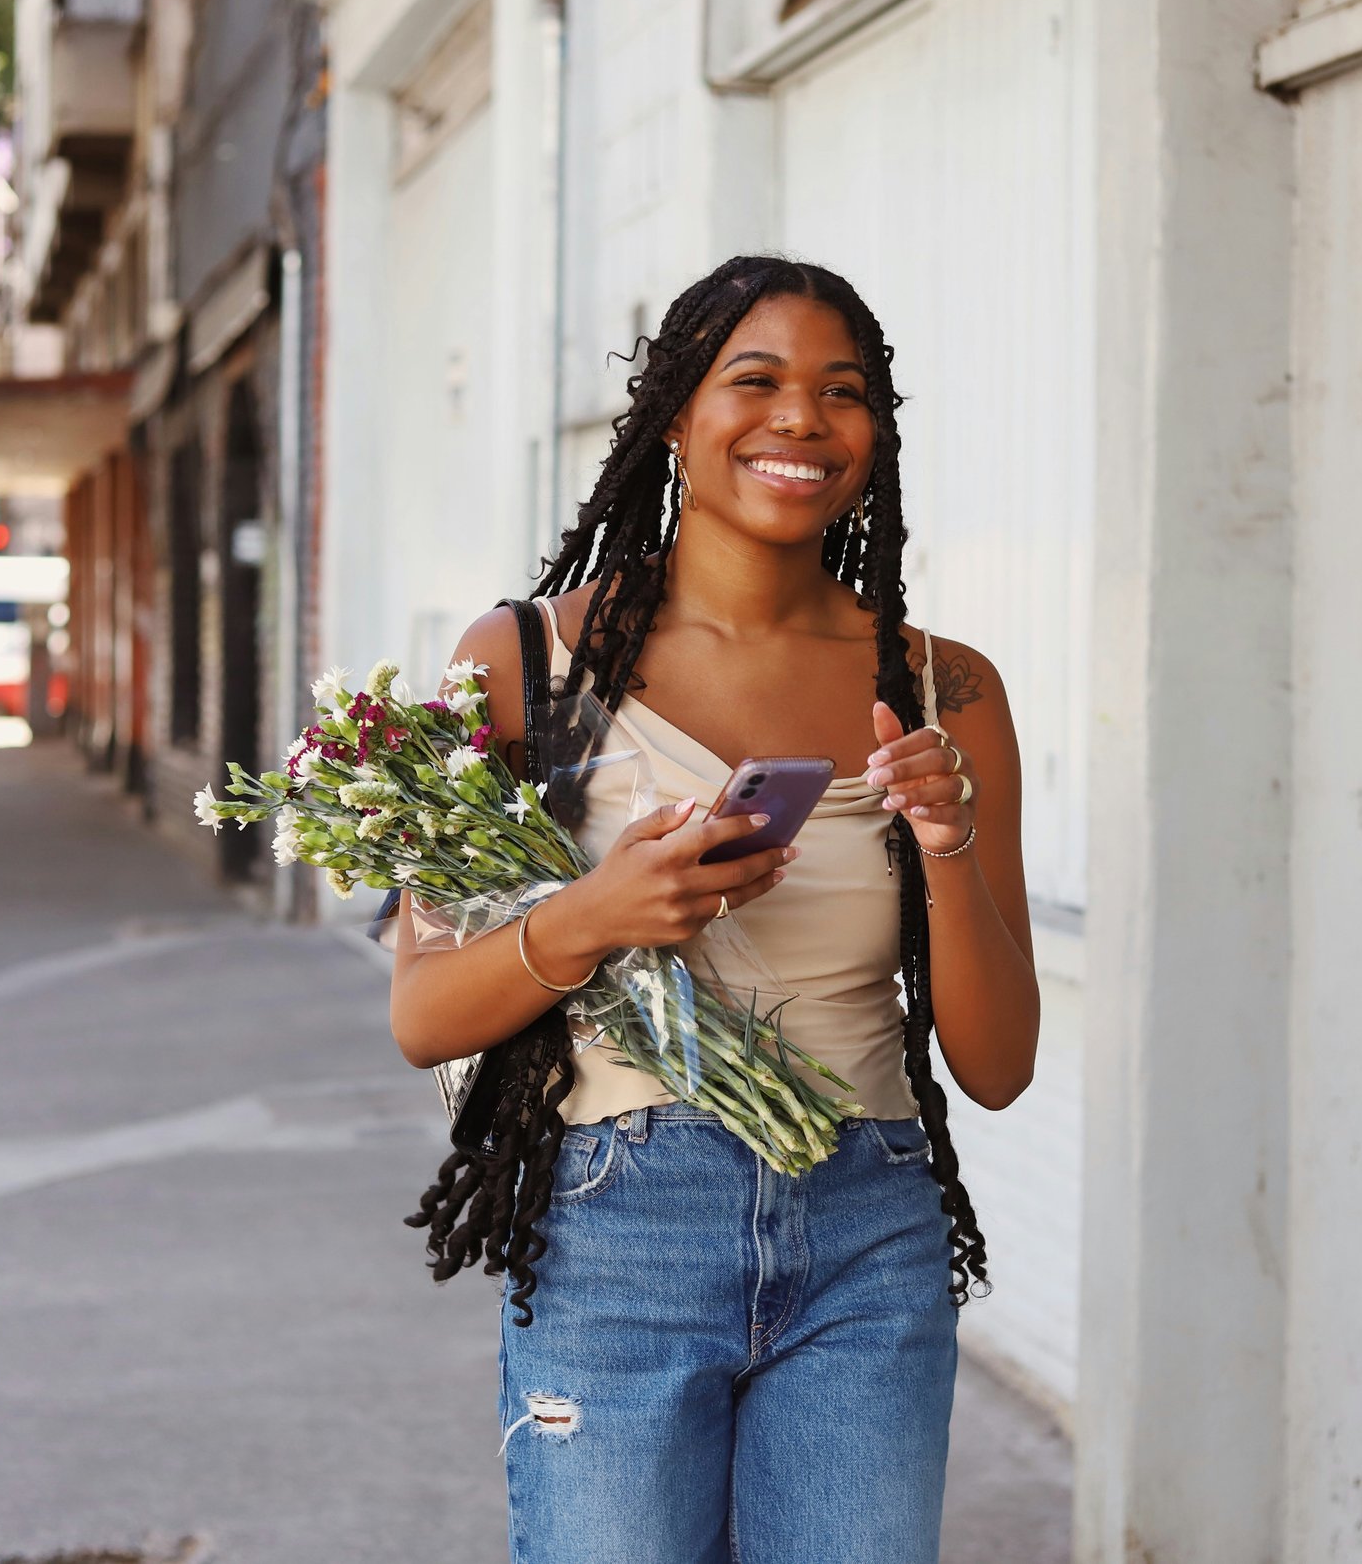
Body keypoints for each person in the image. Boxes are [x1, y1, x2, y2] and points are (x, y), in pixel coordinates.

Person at [387, 256, 1041, 1563]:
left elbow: (998, 1061)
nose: (801, 419)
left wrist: (949, 839)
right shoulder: (520, 668)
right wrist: (597, 913)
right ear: (675, 416)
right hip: (615, 1225)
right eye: (758, 381)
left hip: (867, 1229)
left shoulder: (942, 689)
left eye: (841, 394)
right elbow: (423, 1013)